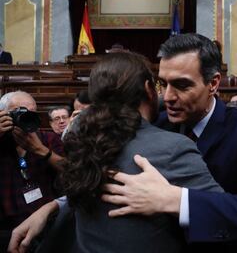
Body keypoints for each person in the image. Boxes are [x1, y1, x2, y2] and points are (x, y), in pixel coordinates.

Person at [9, 52, 223, 253]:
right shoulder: (173, 148)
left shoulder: (84, 141)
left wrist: (55, 205)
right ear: (149, 89)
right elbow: (225, 217)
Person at [102, 33, 237, 251]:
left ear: (212, 83)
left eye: (182, 85)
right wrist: (61, 204)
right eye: (163, 84)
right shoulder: (157, 121)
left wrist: (176, 201)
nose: (168, 96)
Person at [0, 91, 63, 252]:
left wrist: (41, 150)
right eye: (20, 113)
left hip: (46, 224)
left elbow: (75, 172)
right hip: (5, 227)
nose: (26, 117)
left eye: (31, 113)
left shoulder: (48, 139)